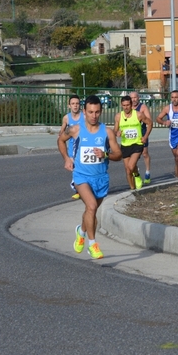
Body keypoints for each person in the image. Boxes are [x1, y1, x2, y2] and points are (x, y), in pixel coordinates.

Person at [58, 95, 123, 260]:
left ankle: (81, 231)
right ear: (84, 112)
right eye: (90, 112)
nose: (94, 116)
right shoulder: (76, 129)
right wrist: (66, 158)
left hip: (101, 178)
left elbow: (118, 155)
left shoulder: (107, 132)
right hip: (81, 176)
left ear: (101, 112)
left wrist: (105, 154)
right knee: (92, 206)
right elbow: (60, 140)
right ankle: (92, 245)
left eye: (97, 112)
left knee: (90, 210)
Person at [114, 95, 152, 190]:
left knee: (131, 166)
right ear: (121, 105)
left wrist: (145, 136)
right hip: (125, 145)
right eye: (124, 105)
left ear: (131, 105)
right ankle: (133, 188)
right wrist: (117, 132)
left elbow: (150, 123)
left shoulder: (138, 114)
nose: (126, 107)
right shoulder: (119, 116)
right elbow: (115, 130)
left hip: (137, 144)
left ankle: (135, 179)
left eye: (128, 105)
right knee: (128, 170)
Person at [59, 94, 84, 200]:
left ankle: (86, 189)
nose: (75, 106)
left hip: (83, 147)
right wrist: (61, 134)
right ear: (69, 106)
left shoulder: (85, 116)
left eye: (77, 103)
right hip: (72, 149)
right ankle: (79, 191)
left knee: (84, 169)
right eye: (73, 104)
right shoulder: (66, 118)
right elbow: (62, 131)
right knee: (75, 170)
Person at [130, 91, 153, 185]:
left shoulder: (142, 107)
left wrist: (146, 135)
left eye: (135, 98)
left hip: (141, 133)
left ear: (138, 98)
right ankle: (136, 173)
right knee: (133, 155)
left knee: (144, 153)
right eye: (131, 98)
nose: (133, 100)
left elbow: (149, 121)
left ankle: (147, 172)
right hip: (131, 133)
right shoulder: (127, 107)